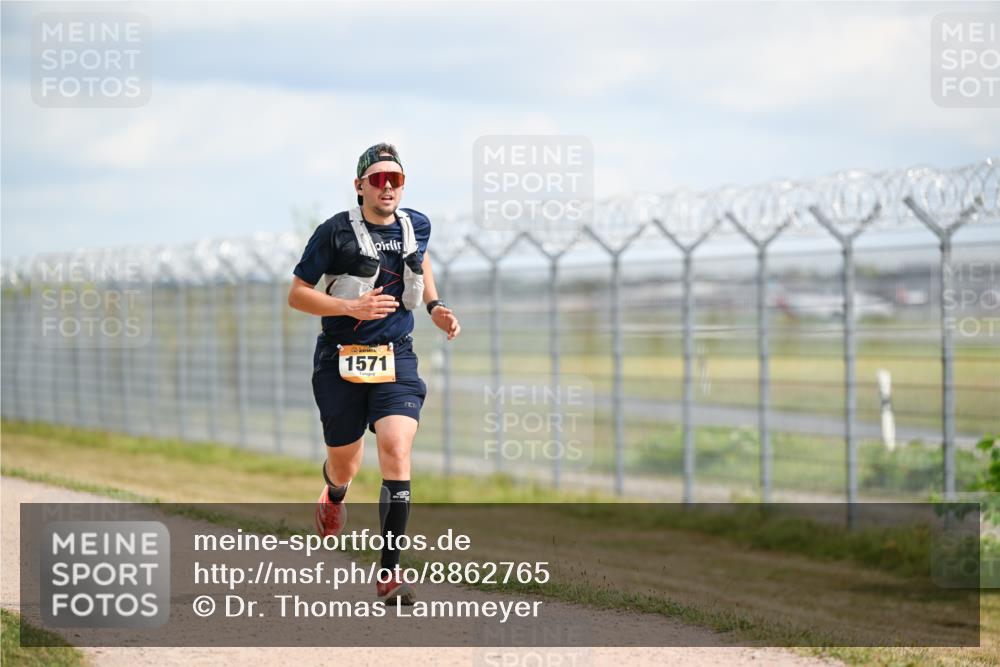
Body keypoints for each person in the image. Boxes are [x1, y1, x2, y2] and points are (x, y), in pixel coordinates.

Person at [287, 143, 461, 604]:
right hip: (340, 358)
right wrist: (351, 307)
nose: (387, 187)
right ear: (360, 185)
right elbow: (298, 294)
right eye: (378, 179)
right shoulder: (333, 232)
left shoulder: (416, 224)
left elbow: (420, 259)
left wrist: (435, 305)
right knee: (345, 463)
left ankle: (389, 573)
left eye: (395, 179)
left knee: (396, 448)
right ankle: (335, 494)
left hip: (395, 356)